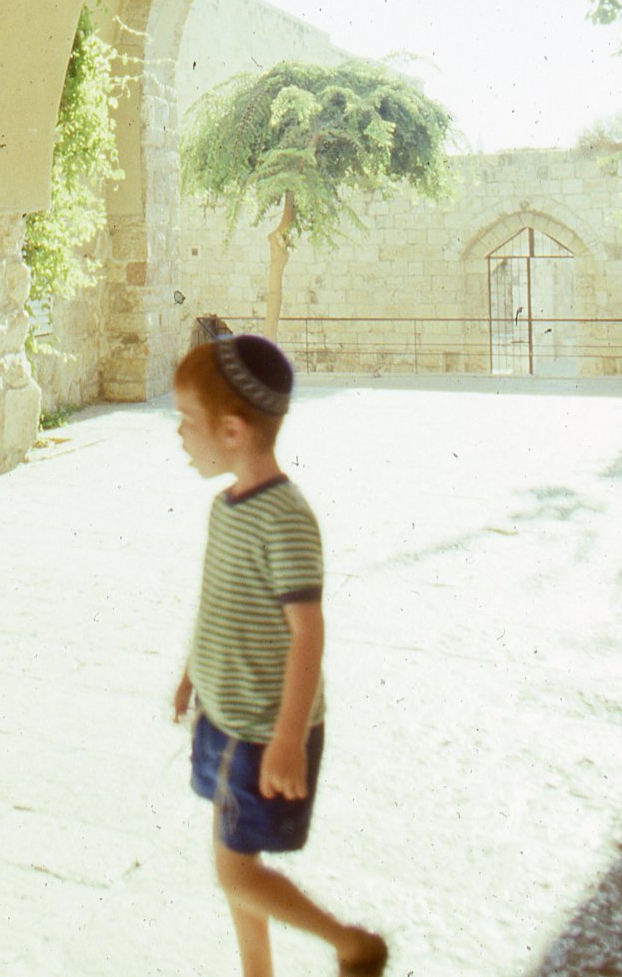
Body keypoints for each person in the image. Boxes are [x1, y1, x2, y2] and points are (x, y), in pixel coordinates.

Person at [172, 333, 388, 977]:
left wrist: (290, 737)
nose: (180, 436)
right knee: (236, 867)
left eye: (187, 422)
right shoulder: (226, 508)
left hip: (265, 731)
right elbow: (218, 605)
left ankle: (351, 944)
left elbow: (307, 631)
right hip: (223, 716)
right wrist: (191, 677)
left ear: (232, 430)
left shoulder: (285, 518)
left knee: (234, 873)